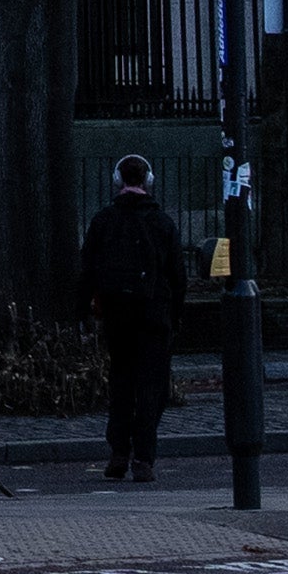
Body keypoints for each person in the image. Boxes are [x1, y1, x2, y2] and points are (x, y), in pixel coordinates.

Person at [76, 155, 192, 488]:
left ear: (118, 180)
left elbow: (87, 270)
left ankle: (118, 452)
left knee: (121, 382)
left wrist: (83, 312)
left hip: (117, 314)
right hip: (154, 315)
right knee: (152, 387)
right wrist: (175, 315)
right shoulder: (162, 224)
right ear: (148, 181)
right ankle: (143, 457)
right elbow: (178, 277)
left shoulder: (103, 221)